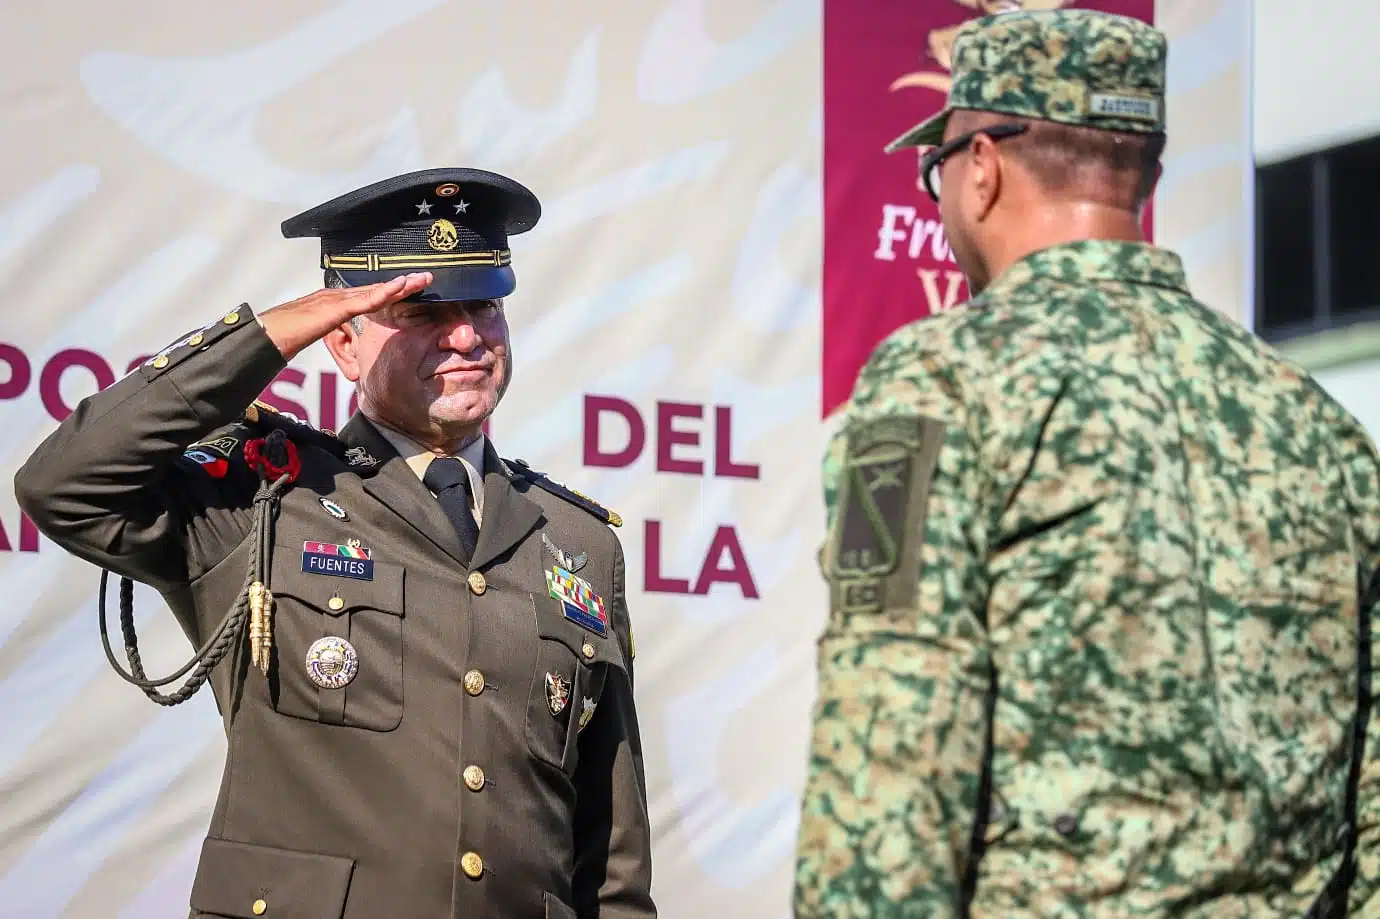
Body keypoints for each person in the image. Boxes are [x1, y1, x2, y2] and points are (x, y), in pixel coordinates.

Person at [793, 9, 1378, 918]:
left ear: (980, 169)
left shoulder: (937, 381)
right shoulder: (1316, 425)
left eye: (935, 170)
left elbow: (891, 763)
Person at [15, 168, 655, 919]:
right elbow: (63, 483)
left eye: (484, 303)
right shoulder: (262, 494)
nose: (466, 334)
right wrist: (271, 332)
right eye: (418, 309)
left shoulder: (574, 541)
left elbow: (611, 867)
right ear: (342, 343)